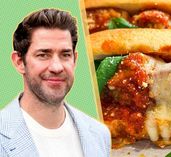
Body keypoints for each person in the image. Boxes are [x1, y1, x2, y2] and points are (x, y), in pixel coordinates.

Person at [0, 8, 111, 157]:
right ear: (20, 62)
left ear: (74, 60)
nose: (57, 67)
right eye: (43, 55)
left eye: (65, 55)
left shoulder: (99, 134)